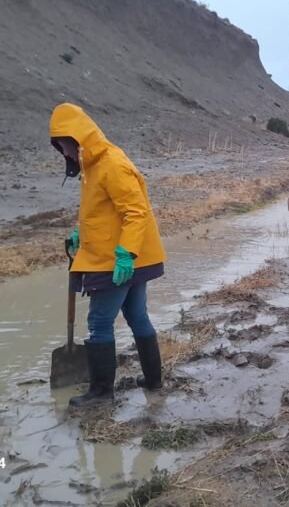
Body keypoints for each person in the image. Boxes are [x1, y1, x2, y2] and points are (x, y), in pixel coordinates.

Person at [50, 103, 166, 408]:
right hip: (127, 254)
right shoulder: (93, 165)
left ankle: (101, 393)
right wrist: (81, 234)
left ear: (78, 139)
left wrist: (126, 254)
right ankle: (154, 381)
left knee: (99, 322)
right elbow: (101, 211)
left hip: (119, 259)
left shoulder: (111, 163)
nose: (65, 155)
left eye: (65, 147)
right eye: (60, 148)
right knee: (137, 315)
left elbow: (135, 212)